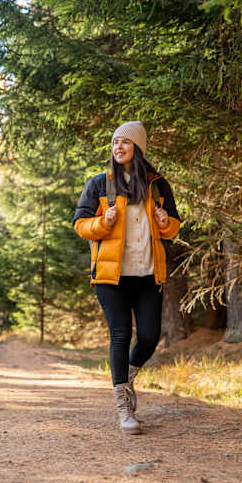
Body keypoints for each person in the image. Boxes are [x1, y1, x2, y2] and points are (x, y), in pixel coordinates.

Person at [72, 121, 181, 435]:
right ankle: (123, 407)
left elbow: (174, 227)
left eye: (125, 142)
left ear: (138, 148)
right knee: (120, 335)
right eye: (115, 142)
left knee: (149, 336)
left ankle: (128, 379)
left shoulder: (158, 186)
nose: (118, 147)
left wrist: (164, 222)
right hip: (111, 276)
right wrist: (102, 224)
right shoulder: (99, 184)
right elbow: (80, 224)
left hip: (147, 274)